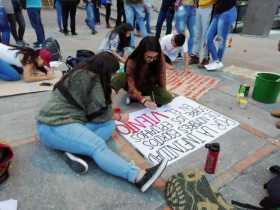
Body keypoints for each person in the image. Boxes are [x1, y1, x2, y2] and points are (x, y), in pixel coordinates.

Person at [36, 51, 168, 192]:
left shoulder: (86, 72)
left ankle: (74, 150)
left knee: (109, 125)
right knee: (97, 146)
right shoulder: (90, 79)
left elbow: (102, 114)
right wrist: (119, 117)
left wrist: (111, 112)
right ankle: (138, 177)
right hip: (53, 125)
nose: (112, 77)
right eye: (112, 73)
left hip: (71, 121)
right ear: (106, 71)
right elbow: (100, 113)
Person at [111, 36, 173, 109]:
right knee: (121, 77)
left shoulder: (160, 57)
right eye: (149, 57)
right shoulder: (132, 60)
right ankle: (135, 96)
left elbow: (162, 75)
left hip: (148, 85)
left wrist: (162, 91)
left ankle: (134, 98)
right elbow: (131, 84)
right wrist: (143, 101)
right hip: (134, 85)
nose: (152, 60)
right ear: (142, 52)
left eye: (155, 57)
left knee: (168, 97)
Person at [204, 0, 237, 71]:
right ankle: (216, 61)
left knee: (221, 41)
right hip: (217, 12)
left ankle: (218, 62)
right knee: (208, 38)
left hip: (227, 12)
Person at [190, 0, 216, 67]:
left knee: (205, 34)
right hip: (200, 7)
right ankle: (195, 56)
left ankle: (205, 58)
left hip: (208, 7)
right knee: (197, 33)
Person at [174, 0, 196, 66]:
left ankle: (188, 55)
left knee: (193, 34)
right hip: (182, 7)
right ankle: (177, 53)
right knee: (180, 32)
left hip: (192, 8)